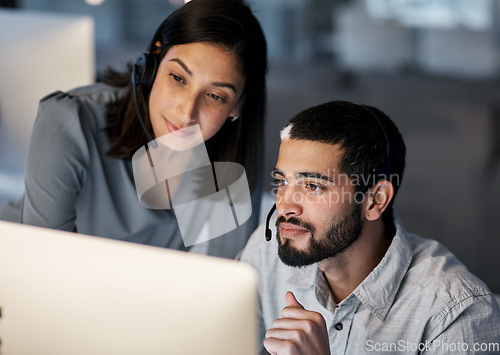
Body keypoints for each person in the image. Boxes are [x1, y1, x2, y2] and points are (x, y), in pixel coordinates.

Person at [0, 0, 268, 259]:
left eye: (216, 96)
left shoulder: (233, 156)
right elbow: (43, 267)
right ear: (153, 63)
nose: (187, 114)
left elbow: (229, 272)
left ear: (237, 105)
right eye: (178, 78)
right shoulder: (69, 121)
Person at [240, 100, 500, 354]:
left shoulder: (456, 314)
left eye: (313, 186)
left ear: (375, 200)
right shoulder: (265, 251)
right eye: (282, 182)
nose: (284, 207)